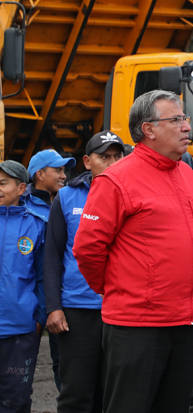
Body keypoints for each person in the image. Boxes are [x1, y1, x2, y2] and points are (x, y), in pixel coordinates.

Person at [74, 90, 193, 413]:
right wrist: (119, 289)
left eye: (185, 119)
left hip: (186, 321)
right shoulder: (116, 180)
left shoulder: (190, 178)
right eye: (176, 120)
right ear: (148, 130)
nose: (186, 127)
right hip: (137, 326)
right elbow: (87, 249)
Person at [44, 131, 124, 413]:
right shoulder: (66, 197)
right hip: (78, 310)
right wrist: (53, 306)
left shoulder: (133, 194)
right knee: (76, 394)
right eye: (105, 157)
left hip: (122, 309)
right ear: (88, 162)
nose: (112, 163)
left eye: (118, 157)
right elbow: (52, 256)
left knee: (113, 396)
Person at [25, 148, 75, 394]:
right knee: (19, 372)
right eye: (57, 170)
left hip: (57, 299)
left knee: (63, 367)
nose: (63, 175)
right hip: (30, 302)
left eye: (64, 170)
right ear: (40, 174)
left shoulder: (62, 204)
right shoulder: (22, 209)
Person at [0, 160, 45, 413]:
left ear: (21, 188)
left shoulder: (37, 224)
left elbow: (43, 277)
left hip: (20, 329)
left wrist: (38, 317)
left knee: (15, 401)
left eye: (3, 183)